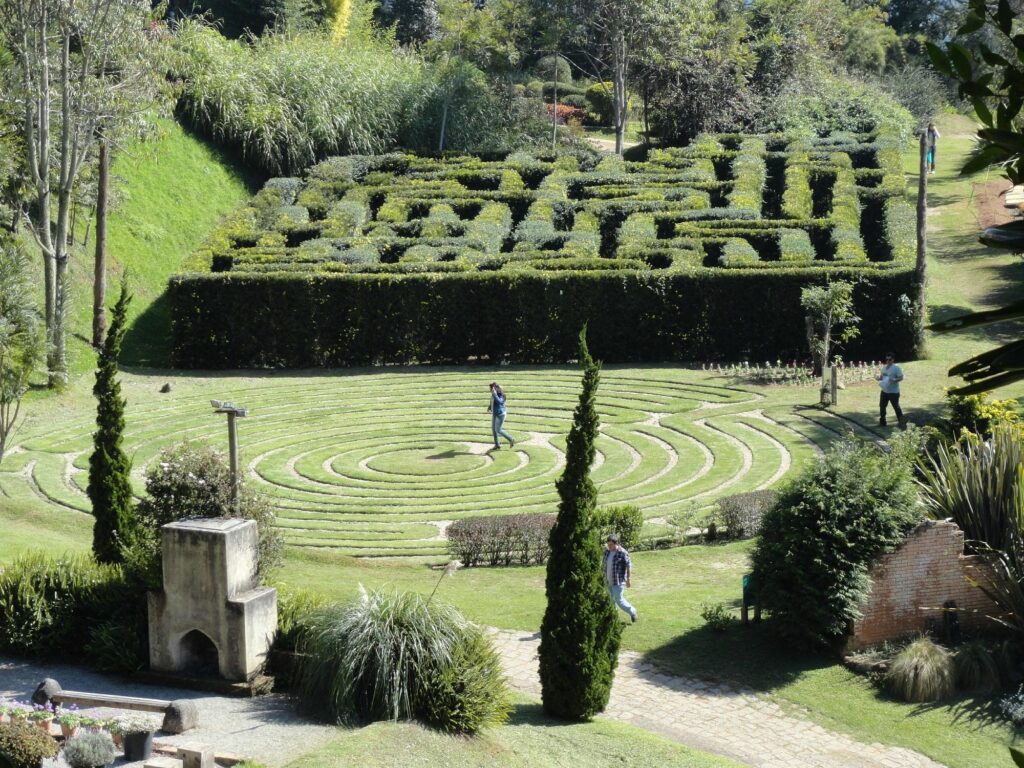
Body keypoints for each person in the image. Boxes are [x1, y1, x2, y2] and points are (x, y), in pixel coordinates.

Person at [603, 533, 637, 623]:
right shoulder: (607, 552)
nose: (609, 546)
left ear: (616, 543)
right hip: (607, 580)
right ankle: (614, 618)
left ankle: (632, 611)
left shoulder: (622, 553)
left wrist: (628, 579)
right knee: (611, 600)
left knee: (619, 600)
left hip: (618, 581)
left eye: (611, 544)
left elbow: (628, 565)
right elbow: (604, 565)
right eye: (608, 544)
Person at [877, 353, 905, 428]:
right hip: (884, 391)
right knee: (882, 407)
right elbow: (882, 377)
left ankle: (902, 423)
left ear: (893, 360)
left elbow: (901, 377)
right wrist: (878, 378)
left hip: (894, 392)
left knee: (896, 407)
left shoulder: (896, 368)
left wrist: (895, 379)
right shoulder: (884, 368)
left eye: (889, 359)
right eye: (886, 359)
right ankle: (882, 422)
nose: (888, 361)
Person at [487, 382, 514, 450]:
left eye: (491, 388)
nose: (490, 390)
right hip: (495, 414)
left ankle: (511, 439)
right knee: (494, 430)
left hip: (500, 415)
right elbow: (492, 401)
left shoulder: (500, 395)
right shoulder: (493, 394)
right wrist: (490, 407)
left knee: (498, 430)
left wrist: (495, 394)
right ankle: (497, 445)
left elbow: (500, 402)